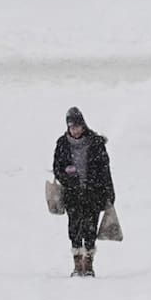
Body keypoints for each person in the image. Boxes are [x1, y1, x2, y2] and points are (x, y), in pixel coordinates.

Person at [52, 107, 115, 277]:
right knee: (74, 227)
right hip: (72, 194)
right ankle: (77, 262)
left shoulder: (95, 142)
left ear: (83, 125)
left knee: (90, 228)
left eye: (78, 126)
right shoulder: (62, 144)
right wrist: (67, 175)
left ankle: (88, 263)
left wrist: (109, 192)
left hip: (93, 193)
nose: (75, 130)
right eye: (72, 127)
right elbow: (56, 168)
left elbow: (105, 169)